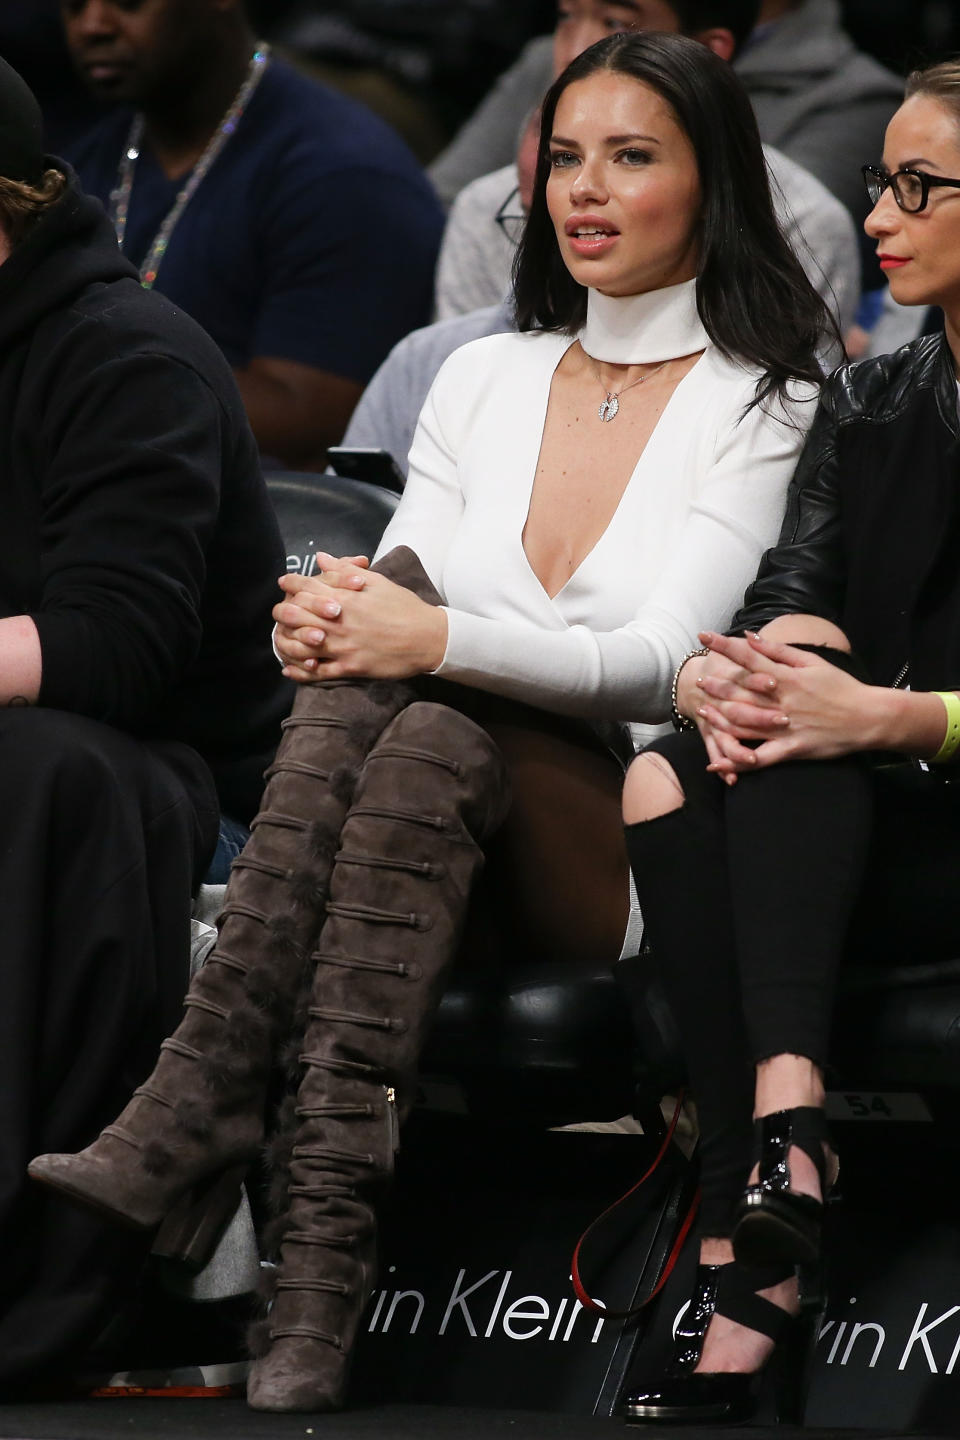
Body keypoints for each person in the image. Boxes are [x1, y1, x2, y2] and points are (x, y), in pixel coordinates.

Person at [30, 31, 827, 1413]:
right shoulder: (478, 376)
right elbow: (404, 606)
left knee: (426, 704)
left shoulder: (769, 395)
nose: (584, 189)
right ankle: (315, 1262)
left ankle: (214, 1106)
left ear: (716, 186)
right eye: (566, 156)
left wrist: (424, 634)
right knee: (416, 720)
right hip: (425, 812)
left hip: (618, 842)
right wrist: (330, 617)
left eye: (632, 157)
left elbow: (662, 667)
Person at [619, 55, 960, 1426]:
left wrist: (891, 715)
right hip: (858, 825)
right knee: (667, 761)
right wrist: (757, 674)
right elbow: (787, 597)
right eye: (880, 179)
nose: (880, 212)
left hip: (928, 797)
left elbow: (880, 713)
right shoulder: (873, 397)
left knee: (788, 757)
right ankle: (776, 1161)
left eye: (920, 186)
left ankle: (743, 1238)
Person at [0, 56, 289, 1385]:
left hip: (190, 799)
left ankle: (54, 1271)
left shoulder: (123, 354)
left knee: (41, 766)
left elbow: (110, 652)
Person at [60, 0, 444, 469]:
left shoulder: (345, 173)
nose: (92, 25)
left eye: (128, 2)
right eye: (72, 5)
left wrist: (77, 378)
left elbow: (316, 422)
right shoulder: (85, 157)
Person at [432, 0, 860, 339]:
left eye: (616, 21)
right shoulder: (473, 373)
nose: (573, 50)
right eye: (564, 158)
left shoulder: (804, 224)